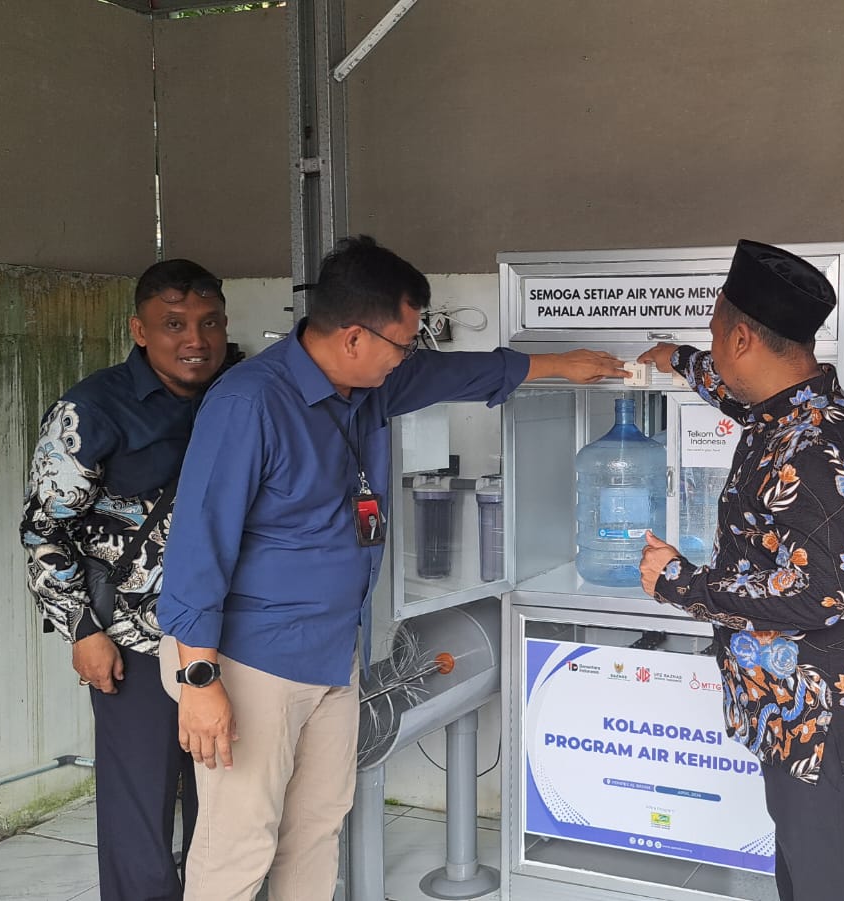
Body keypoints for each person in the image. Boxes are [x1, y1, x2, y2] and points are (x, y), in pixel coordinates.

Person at [157, 234, 627, 901]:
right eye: (404, 343)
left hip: (332, 655)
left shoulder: (367, 386)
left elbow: (460, 374)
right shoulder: (249, 404)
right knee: (239, 845)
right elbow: (197, 545)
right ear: (354, 337)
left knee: (316, 830)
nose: (410, 356)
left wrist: (563, 364)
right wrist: (199, 678)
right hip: (249, 662)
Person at [637, 239, 844, 901]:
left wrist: (678, 581)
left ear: (742, 339)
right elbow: (736, 394)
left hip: (833, 728)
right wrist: (679, 359)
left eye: (714, 335)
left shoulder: (813, 447)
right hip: (807, 718)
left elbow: (817, 595)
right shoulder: (794, 406)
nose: (711, 346)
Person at [21, 259, 229, 901]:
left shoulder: (239, 398)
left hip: (228, 640)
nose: (195, 340)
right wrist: (82, 631)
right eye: (174, 324)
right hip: (133, 642)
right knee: (139, 810)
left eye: (209, 323)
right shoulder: (91, 409)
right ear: (140, 330)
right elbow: (42, 531)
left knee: (226, 806)